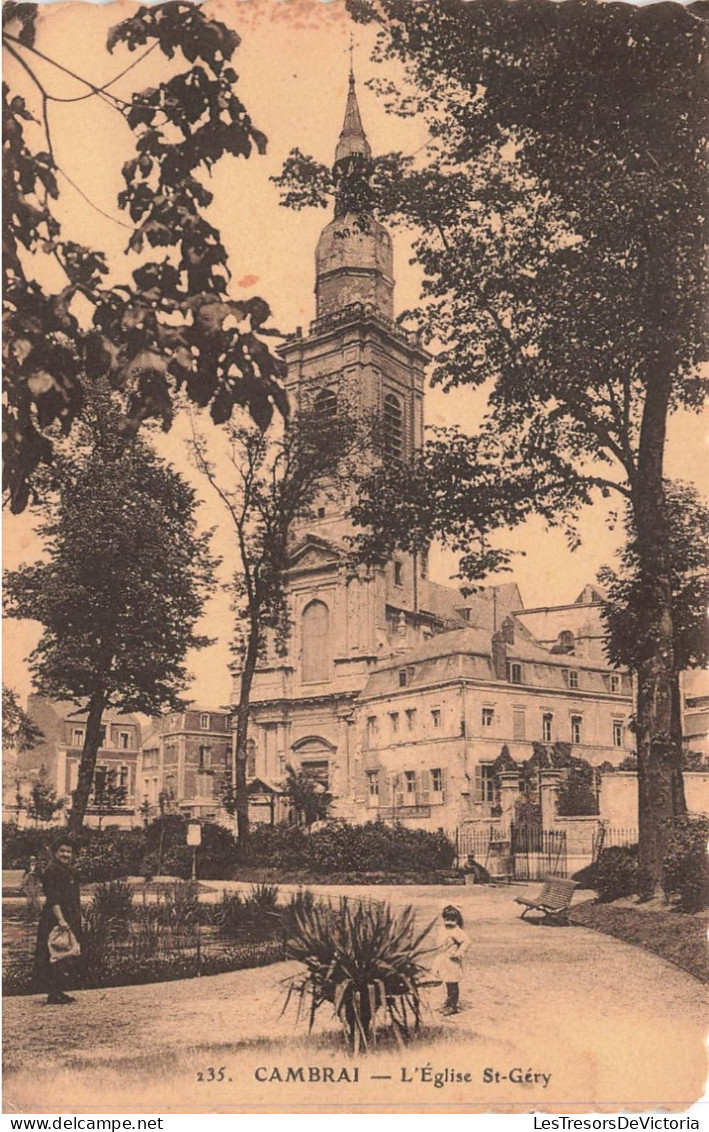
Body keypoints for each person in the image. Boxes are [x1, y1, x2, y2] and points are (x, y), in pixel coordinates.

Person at [35, 837, 82, 1005]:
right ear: (55, 852)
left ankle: (59, 990)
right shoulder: (52, 870)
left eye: (68, 851)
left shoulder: (69, 870)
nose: (65, 854)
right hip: (55, 918)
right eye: (62, 851)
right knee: (55, 952)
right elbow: (53, 898)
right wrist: (61, 920)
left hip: (69, 916)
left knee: (66, 953)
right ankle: (53, 993)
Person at [436, 904, 470, 1016]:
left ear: (457, 920)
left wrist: (459, 953)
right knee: (447, 981)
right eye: (447, 919)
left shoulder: (457, 931)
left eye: (452, 920)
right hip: (444, 959)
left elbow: (466, 942)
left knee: (453, 982)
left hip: (452, 960)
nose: (449, 922)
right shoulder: (442, 929)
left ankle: (453, 1005)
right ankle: (448, 1001)